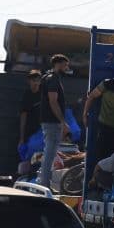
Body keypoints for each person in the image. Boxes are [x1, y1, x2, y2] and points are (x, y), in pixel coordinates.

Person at [38, 54, 70, 188]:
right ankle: (44, 184)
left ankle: (44, 180)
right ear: (59, 64)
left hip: (49, 121)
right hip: (52, 122)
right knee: (50, 153)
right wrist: (62, 122)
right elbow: (53, 101)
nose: (67, 67)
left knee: (49, 153)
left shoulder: (47, 77)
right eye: (65, 64)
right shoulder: (53, 79)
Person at [18, 69, 42, 156]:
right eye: (33, 80)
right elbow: (23, 116)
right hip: (30, 130)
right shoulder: (27, 95)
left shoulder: (44, 94)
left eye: (37, 80)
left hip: (43, 130)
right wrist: (22, 138)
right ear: (29, 81)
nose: (35, 83)